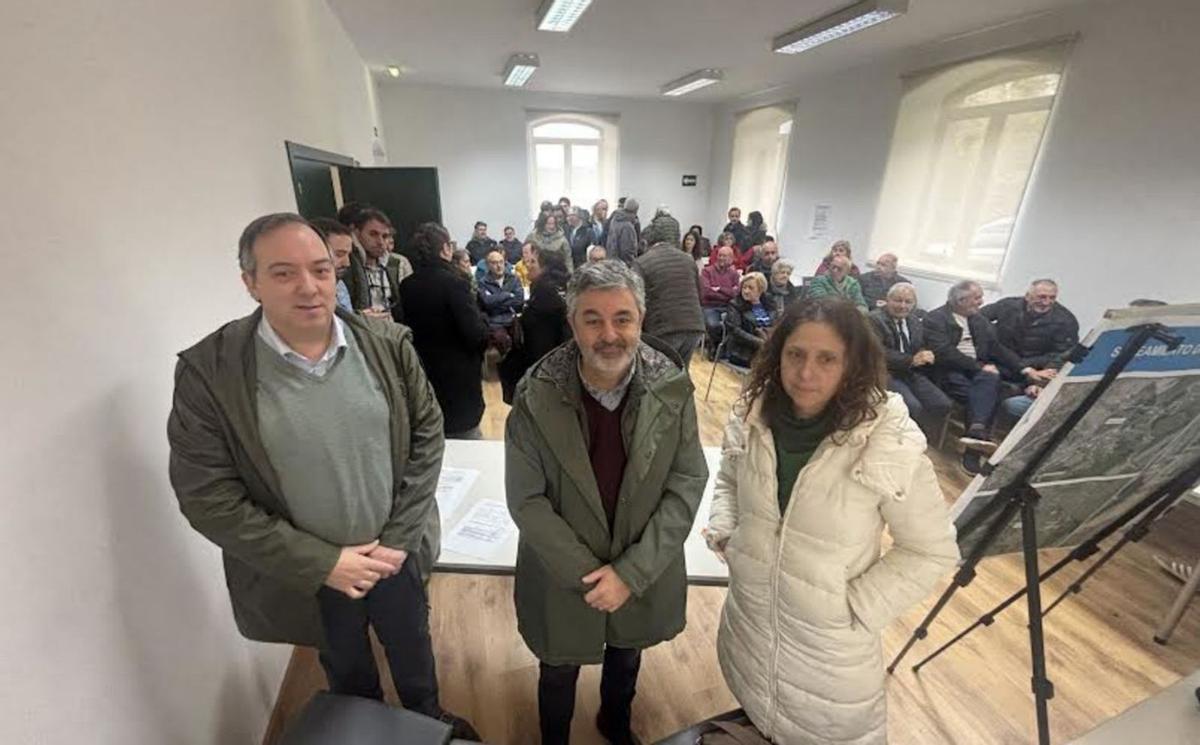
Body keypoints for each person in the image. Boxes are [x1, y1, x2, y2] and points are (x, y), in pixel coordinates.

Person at [167, 213, 477, 739]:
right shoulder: (211, 372)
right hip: (312, 569)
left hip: (394, 550)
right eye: (284, 273)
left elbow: (427, 434)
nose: (309, 287)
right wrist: (324, 562)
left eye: (321, 269)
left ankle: (427, 718)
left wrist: (399, 537)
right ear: (250, 283)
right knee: (346, 665)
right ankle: (365, 728)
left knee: (412, 641)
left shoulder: (386, 344)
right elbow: (206, 495)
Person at [704, 298, 959, 745]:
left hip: (830, 656)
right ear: (778, 355)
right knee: (757, 712)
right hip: (749, 626)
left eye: (827, 359)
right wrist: (728, 531)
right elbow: (728, 476)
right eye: (796, 354)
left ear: (852, 364)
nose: (806, 373)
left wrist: (854, 608)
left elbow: (930, 550)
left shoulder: (886, 440)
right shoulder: (751, 414)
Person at [505, 260, 708, 745]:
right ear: (572, 323)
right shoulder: (536, 394)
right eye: (592, 319)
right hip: (563, 568)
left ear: (641, 319)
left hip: (640, 557)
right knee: (558, 666)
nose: (609, 334)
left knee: (627, 651)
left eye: (623, 318)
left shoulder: (671, 389)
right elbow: (527, 498)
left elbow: (687, 481)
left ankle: (614, 723)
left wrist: (631, 574)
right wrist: (591, 577)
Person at [924, 280, 1045, 474]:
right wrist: (979, 367)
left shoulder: (978, 320)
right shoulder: (935, 319)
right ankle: (973, 451)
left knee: (988, 385)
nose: (981, 302)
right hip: (949, 371)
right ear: (961, 300)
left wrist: (1025, 369)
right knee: (988, 394)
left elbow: (997, 348)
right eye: (977, 298)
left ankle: (976, 431)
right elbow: (944, 353)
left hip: (977, 373)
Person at [397, 222, 489, 439]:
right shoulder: (456, 284)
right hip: (458, 378)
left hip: (423, 373)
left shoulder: (407, 285)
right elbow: (475, 334)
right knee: (468, 439)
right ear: (446, 249)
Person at [870, 283, 951, 438]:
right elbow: (877, 351)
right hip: (884, 372)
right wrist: (911, 359)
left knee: (942, 403)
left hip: (910, 371)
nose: (903, 306)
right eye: (898, 300)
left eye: (908, 302)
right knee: (912, 406)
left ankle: (922, 437)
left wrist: (924, 353)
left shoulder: (914, 321)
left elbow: (919, 345)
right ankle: (901, 440)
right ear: (887, 300)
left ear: (914, 304)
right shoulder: (873, 319)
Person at [498, 250, 571, 404]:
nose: (528, 265)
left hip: (543, 359)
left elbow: (536, 330)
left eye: (533, 262)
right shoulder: (562, 286)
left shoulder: (544, 290)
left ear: (545, 267)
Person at [633, 233, 706, 366]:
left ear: (647, 244)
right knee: (681, 372)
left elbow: (635, 299)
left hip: (664, 327)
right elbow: (699, 292)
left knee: (659, 373)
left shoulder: (642, 262)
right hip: (694, 324)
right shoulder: (688, 259)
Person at [980, 279, 1080, 372]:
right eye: (1042, 297)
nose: (1046, 302)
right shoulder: (1007, 306)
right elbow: (977, 318)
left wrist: (1023, 365)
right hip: (995, 361)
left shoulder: (1066, 321)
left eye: (1052, 298)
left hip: (1032, 371)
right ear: (1027, 296)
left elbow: (1062, 355)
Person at [349, 208, 406, 317]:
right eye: (373, 234)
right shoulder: (348, 267)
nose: (380, 242)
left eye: (385, 236)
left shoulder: (394, 264)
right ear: (357, 233)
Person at [724, 272, 775, 368]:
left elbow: (776, 324)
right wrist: (760, 343)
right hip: (743, 351)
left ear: (760, 290)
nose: (746, 291)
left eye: (751, 288)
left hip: (768, 347)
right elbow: (735, 331)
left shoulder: (770, 304)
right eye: (744, 287)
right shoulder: (735, 304)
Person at [700, 245, 742, 355]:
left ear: (732, 259)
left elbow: (736, 294)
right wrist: (728, 292)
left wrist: (719, 289)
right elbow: (707, 293)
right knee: (714, 325)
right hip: (710, 306)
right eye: (720, 255)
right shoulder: (707, 271)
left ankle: (725, 349)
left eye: (725, 256)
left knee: (736, 326)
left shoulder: (734, 274)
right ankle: (715, 346)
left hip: (729, 306)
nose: (721, 258)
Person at [311, 218, 356, 312]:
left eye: (348, 255)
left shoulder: (339, 285)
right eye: (339, 254)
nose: (347, 263)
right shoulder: (305, 289)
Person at [478, 248, 525, 330]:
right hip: (494, 324)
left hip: (513, 320)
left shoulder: (514, 279)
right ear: (488, 265)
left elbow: (519, 301)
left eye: (501, 262)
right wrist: (507, 295)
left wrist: (496, 303)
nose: (499, 266)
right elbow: (487, 303)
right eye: (494, 263)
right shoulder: (483, 282)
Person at [606, 197, 640, 266]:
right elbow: (626, 249)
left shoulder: (614, 220)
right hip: (622, 264)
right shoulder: (628, 226)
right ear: (636, 210)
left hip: (611, 260)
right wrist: (630, 264)